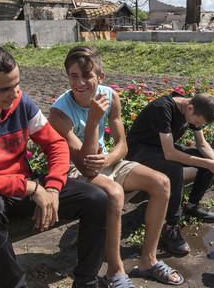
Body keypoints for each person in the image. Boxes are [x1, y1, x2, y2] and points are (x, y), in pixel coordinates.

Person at [0, 44, 107, 288]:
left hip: (25, 184)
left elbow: (56, 146)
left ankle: (86, 281)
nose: (14, 93)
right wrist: (31, 188)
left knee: (96, 198)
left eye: (17, 84)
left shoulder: (21, 102)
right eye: (4, 89)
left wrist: (52, 188)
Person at [48, 46, 183, 287]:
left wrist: (109, 160)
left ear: (100, 77)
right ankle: (115, 270)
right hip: (73, 169)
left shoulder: (110, 95)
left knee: (162, 182)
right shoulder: (59, 112)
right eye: (73, 76)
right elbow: (84, 166)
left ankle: (148, 261)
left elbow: (123, 144)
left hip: (105, 161)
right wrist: (92, 119)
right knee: (114, 192)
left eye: (87, 75)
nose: (79, 83)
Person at [125, 90, 214, 255]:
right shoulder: (162, 108)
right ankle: (170, 227)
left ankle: (193, 205)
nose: (196, 125)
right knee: (173, 167)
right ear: (189, 108)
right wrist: (209, 163)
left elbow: (201, 144)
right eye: (196, 122)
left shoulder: (194, 109)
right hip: (138, 151)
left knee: (208, 159)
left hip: (159, 148)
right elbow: (170, 154)